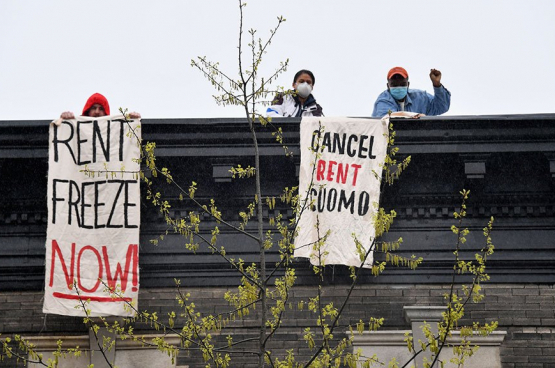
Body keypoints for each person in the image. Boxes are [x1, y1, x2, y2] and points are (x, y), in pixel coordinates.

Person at [371, 67, 451, 118]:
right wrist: (413, 116)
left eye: (402, 84)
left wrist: (436, 84)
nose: (399, 87)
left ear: (408, 85)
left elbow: (441, 107)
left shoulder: (421, 98)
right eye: (394, 85)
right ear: (388, 86)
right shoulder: (383, 100)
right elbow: (387, 119)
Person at [59, 93, 141, 119]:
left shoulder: (114, 130)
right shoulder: (76, 127)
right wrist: (65, 121)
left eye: (101, 109)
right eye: (94, 108)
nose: (97, 112)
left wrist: (132, 121)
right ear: (88, 111)